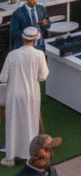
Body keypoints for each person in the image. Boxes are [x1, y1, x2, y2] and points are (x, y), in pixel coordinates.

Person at [0, 27, 49, 167]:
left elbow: (3, 78)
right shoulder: (39, 54)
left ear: (22, 38)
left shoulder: (12, 55)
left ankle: (10, 158)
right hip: (32, 94)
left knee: (12, 124)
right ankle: (29, 156)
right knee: (30, 124)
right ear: (35, 39)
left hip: (14, 95)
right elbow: (43, 76)